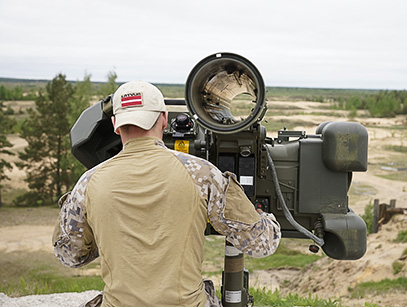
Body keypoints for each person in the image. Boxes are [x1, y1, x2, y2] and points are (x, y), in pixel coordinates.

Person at [52, 80, 281, 307]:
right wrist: (266, 219)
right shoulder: (201, 174)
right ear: (164, 118)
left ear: (115, 124)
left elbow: (69, 256)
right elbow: (262, 244)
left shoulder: (89, 183)